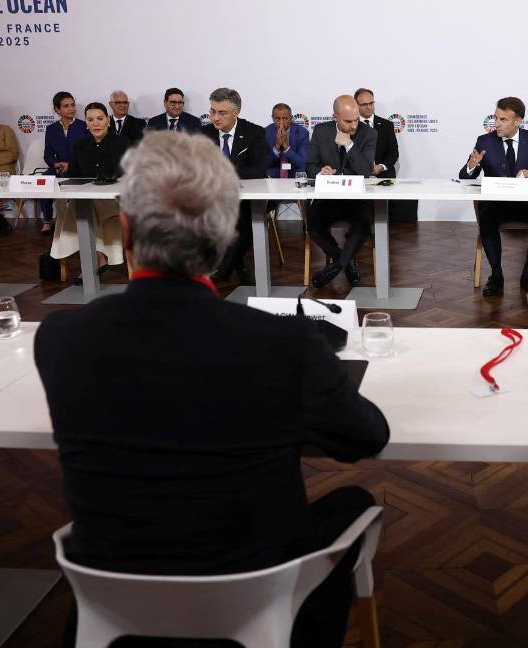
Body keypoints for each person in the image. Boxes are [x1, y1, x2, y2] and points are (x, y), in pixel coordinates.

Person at [35, 131, 389, 648]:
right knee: (353, 500)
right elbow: (367, 436)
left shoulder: (60, 338)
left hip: (114, 597)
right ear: (226, 235)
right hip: (256, 600)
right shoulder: (284, 344)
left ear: (126, 230)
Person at [459, 96, 528, 297]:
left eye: (503, 119)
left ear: (517, 121)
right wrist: (472, 165)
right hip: (497, 205)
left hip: (527, 204)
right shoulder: (485, 141)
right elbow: (465, 177)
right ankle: (496, 275)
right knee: (486, 217)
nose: (496, 124)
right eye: (495, 118)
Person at [49, 102, 129, 283]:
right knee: (77, 204)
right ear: (86, 122)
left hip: (115, 200)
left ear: (108, 121)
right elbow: (73, 176)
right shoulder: (79, 146)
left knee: (83, 206)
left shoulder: (122, 143)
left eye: (100, 119)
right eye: (90, 120)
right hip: (86, 199)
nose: (95, 124)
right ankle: (98, 258)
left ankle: (94, 260)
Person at [306, 95, 378, 288]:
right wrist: (320, 172)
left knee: (363, 225)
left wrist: (349, 145)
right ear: (335, 117)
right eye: (348, 121)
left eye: (356, 120)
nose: (354, 125)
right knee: (313, 225)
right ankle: (345, 263)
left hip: (357, 199)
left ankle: (336, 267)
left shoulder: (369, 134)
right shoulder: (321, 131)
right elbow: (310, 165)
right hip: (328, 198)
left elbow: (365, 171)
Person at [201, 87, 270, 285]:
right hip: (213, 198)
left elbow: (259, 169)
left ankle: (222, 270)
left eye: (221, 113)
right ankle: (238, 265)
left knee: (243, 218)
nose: (215, 117)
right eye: (212, 111)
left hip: (247, 197)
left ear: (236, 113)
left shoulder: (254, 132)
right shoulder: (203, 134)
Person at [40, 92, 89, 233]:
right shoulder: (51, 129)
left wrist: (71, 165)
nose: (71, 108)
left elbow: (86, 152)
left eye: (72, 105)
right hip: (58, 167)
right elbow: (48, 154)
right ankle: (47, 220)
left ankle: (69, 220)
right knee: (44, 181)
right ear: (57, 109)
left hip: (78, 168)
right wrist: (55, 164)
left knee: (66, 177)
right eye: (66, 106)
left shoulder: (84, 126)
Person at [354, 88, 398, 179]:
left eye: (371, 103)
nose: (368, 107)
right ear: (356, 105)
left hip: (383, 175)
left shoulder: (387, 125)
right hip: (357, 175)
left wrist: (381, 166)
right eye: (364, 104)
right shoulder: (350, 124)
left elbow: (393, 153)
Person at [265, 102, 309, 178]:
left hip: (294, 174)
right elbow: (264, 163)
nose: (281, 123)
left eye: (285, 118)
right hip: (273, 174)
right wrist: (276, 148)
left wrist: (287, 147)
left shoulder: (302, 133)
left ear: (291, 118)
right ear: (272, 118)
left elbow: (303, 163)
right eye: (277, 119)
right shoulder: (266, 132)